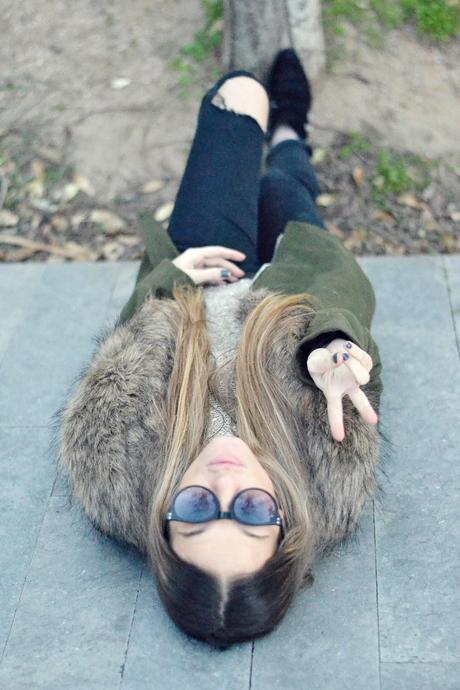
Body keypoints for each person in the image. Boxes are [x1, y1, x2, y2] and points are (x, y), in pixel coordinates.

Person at [56, 50, 383, 649]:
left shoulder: (121, 463)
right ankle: (293, 134)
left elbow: (133, 338)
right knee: (282, 186)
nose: (227, 485)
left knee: (238, 94)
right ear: (284, 525)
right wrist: (333, 345)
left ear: (164, 524)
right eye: (254, 514)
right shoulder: (324, 467)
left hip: (203, 273)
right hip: (292, 282)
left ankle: (274, 126)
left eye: (201, 510)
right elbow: (348, 295)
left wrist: (168, 277)